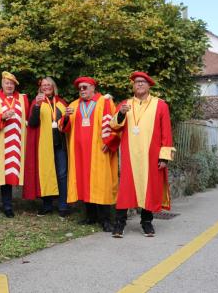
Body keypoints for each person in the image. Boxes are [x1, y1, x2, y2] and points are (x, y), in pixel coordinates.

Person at [110, 71, 175, 238]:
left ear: (148, 85)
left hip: (151, 155)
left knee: (150, 188)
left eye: (142, 82)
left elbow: (166, 133)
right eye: (136, 82)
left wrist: (164, 157)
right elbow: (114, 126)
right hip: (130, 155)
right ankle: (120, 223)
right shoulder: (125, 104)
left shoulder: (160, 105)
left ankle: (146, 222)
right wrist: (122, 113)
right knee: (126, 189)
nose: (139, 84)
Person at [60, 77, 119, 231]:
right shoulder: (73, 105)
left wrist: (109, 141)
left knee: (102, 184)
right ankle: (90, 217)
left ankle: (106, 220)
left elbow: (113, 124)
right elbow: (63, 127)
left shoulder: (104, 102)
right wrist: (65, 116)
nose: (82, 90)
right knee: (85, 184)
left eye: (85, 87)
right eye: (80, 88)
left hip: (98, 151)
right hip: (80, 153)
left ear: (93, 88)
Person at [0, 71, 29, 218]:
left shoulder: (22, 99)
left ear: (14, 85)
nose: (9, 85)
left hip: (15, 141)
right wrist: (2, 116)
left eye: (11, 83)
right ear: (2, 83)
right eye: (6, 83)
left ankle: (8, 206)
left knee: (8, 175)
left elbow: (27, 120)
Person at [24, 77, 69, 217]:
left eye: (49, 85)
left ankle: (63, 206)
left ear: (53, 87)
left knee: (62, 175)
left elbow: (67, 123)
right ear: (40, 88)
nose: (46, 87)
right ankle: (47, 205)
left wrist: (67, 117)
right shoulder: (37, 102)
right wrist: (37, 106)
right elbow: (32, 123)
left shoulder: (61, 102)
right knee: (45, 173)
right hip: (44, 145)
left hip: (60, 144)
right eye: (44, 85)